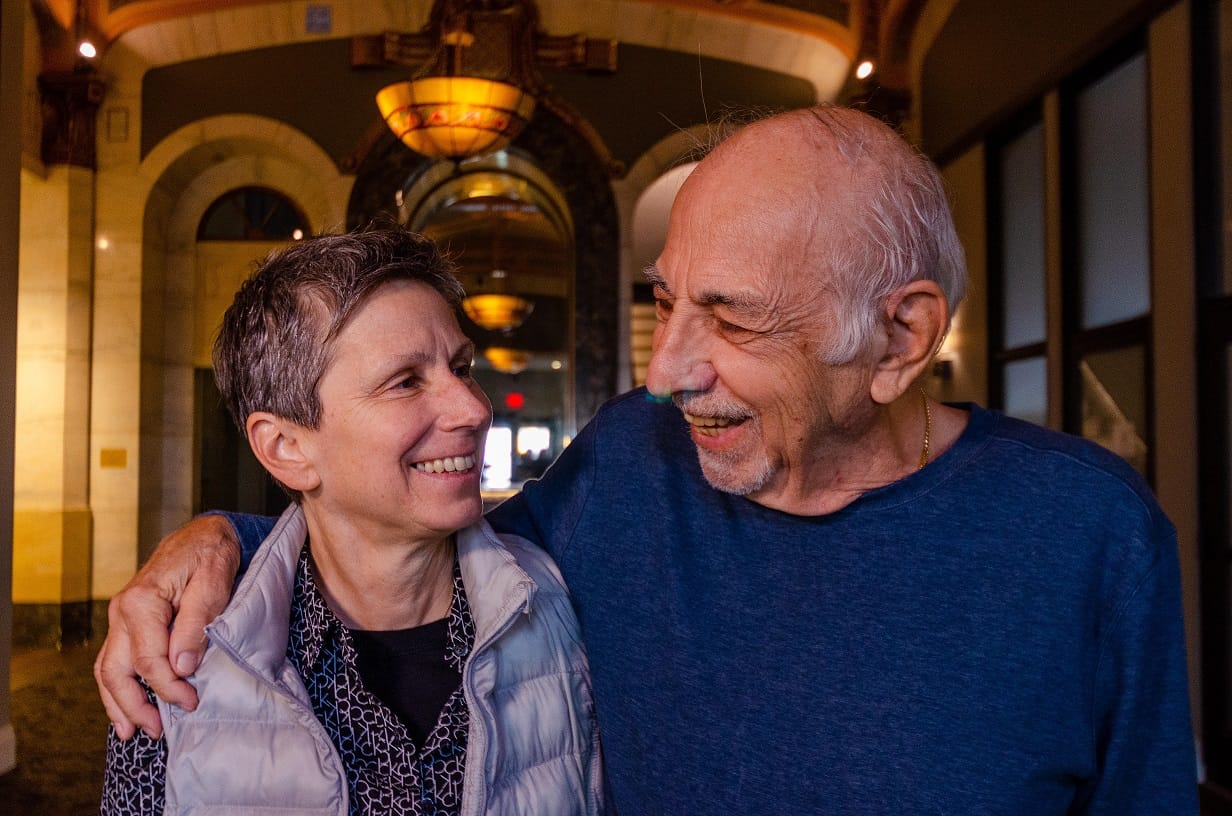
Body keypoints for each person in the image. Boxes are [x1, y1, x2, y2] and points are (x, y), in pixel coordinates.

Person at [96, 107, 1197, 814]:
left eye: (731, 318)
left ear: (900, 338)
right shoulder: (633, 464)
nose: (666, 370)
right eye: (665, 301)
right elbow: (412, 541)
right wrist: (219, 541)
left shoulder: (1088, 532)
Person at [98, 227, 605, 815]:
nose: (473, 408)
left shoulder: (563, 609)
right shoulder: (175, 667)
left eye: (462, 367)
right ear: (287, 447)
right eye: (405, 381)